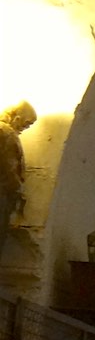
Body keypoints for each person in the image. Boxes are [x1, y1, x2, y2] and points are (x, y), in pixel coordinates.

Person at [0, 101, 36, 258]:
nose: (25, 128)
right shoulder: (6, 133)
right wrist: (17, 186)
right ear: (16, 117)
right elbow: (8, 166)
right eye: (26, 124)